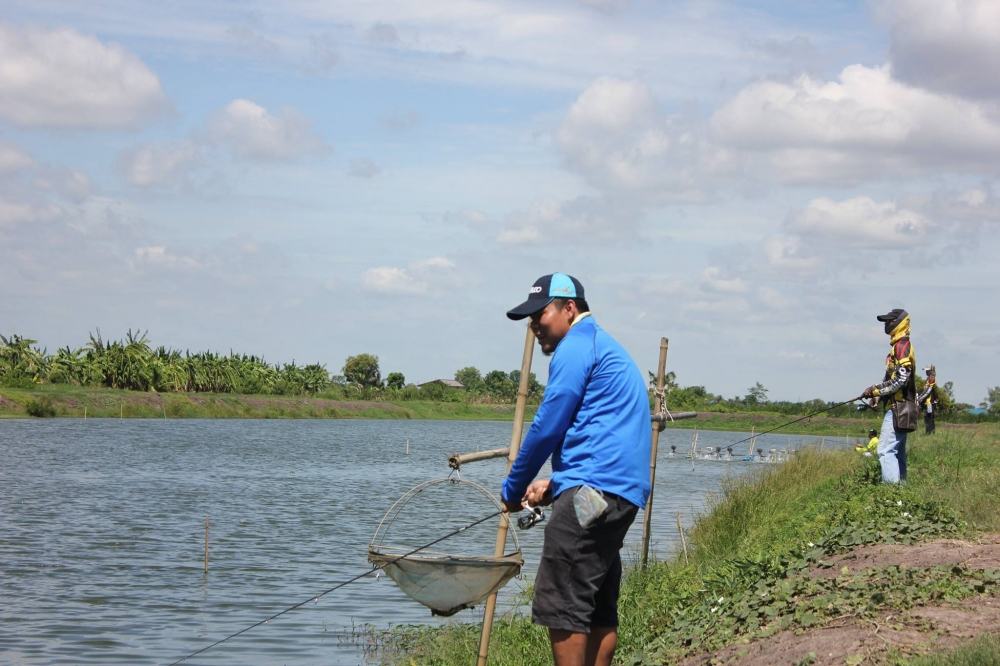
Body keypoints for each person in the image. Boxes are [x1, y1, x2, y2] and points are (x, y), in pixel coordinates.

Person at [501, 272, 651, 666]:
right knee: (596, 603)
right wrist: (555, 484)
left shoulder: (576, 345)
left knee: (562, 600)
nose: (536, 326)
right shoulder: (605, 346)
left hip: (594, 492)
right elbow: (603, 439)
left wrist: (512, 488)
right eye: (530, 320)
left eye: (541, 315)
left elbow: (548, 422)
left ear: (570, 309)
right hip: (615, 496)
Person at [861, 308, 917, 483]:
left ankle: (892, 499)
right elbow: (891, 379)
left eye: (889, 321)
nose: (886, 325)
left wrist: (875, 390)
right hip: (899, 407)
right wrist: (877, 396)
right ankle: (901, 497)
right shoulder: (897, 346)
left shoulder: (902, 346)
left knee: (885, 450)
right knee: (897, 452)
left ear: (900, 322)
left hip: (899, 408)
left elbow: (900, 380)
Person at [917, 365, 939, 435]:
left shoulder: (932, 384)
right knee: (928, 418)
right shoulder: (927, 383)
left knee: (929, 419)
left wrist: (935, 403)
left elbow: (936, 395)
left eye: (928, 372)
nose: (926, 373)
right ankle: (929, 432)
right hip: (926, 404)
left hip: (930, 404)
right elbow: (923, 392)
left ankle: (930, 433)